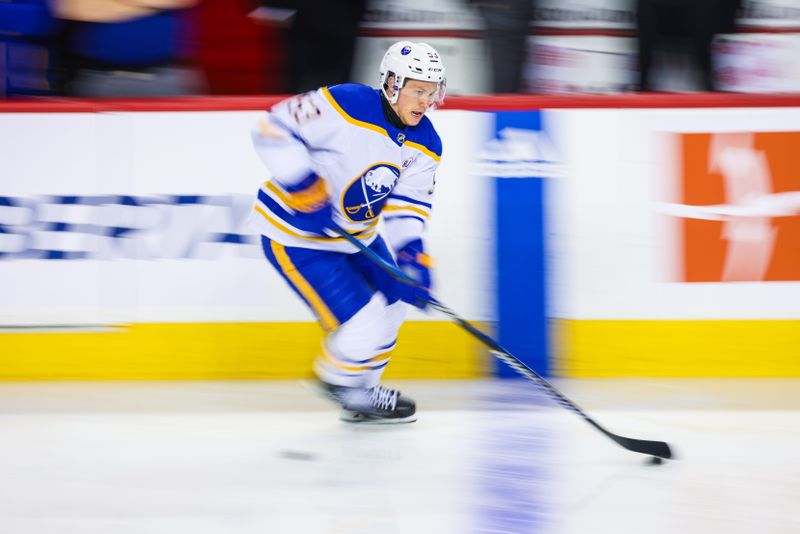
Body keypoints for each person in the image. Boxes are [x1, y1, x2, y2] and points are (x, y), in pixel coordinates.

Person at [249, 41, 445, 424]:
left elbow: (408, 205)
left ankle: (363, 391)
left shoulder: (427, 142)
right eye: (417, 90)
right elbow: (271, 128)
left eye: (432, 92)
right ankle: (339, 380)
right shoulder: (348, 103)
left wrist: (412, 254)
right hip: (296, 237)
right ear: (392, 83)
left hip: (358, 236)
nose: (425, 101)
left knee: (395, 304)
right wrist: (303, 183)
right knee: (364, 321)